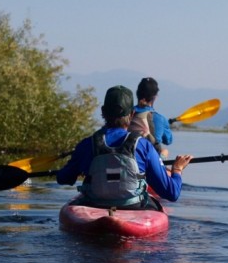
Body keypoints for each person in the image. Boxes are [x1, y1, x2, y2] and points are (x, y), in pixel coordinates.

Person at [57, 85, 193, 210]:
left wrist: (81, 167)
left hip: (95, 205)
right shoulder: (143, 146)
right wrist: (177, 169)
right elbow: (172, 193)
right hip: (133, 207)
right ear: (132, 114)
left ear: (103, 112)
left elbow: (64, 178)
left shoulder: (86, 144)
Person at [129, 77, 173, 157]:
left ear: (137, 94)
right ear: (155, 97)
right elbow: (168, 140)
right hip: (150, 160)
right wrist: (166, 125)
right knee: (164, 151)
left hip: (128, 156)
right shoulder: (160, 118)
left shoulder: (127, 114)